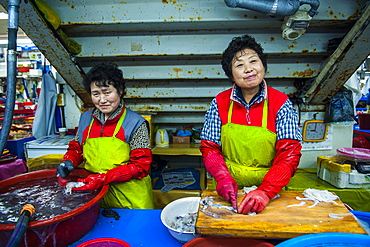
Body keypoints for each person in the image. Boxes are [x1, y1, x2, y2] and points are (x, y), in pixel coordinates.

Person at [200, 34, 302, 214]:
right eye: (239, 65)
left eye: (253, 61)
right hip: (229, 192)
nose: (248, 69)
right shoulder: (219, 103)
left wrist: (265, 191)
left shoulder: (281, 103)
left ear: (263, 65)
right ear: (231, 75)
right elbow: (210, 148)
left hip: (271, 193)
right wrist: (222, 177)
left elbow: (289, 155)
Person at [56, 62, 154, 209]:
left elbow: (140, 166)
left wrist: (103, 178)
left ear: (120, 91)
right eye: (96, 94)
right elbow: (77, 147)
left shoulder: (136, 123)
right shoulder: (85, 118)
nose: (102, 100)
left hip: (130, 198)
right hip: (96, 194)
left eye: (107, 92)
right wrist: (69, 161)